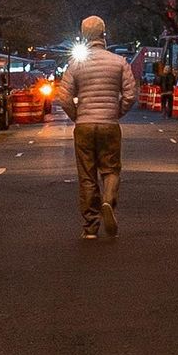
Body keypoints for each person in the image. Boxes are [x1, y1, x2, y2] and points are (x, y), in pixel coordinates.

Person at [58, 16, 136, 239]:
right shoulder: (119, 62)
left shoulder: (76, 65)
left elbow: (64, 97)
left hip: (84, 125)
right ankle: (107, 200)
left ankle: (90, 226)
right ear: (104, 34)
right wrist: (117, 111)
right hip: (109, 125)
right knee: (111, 169)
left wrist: (77, 116)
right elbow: (130, 94)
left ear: (84, 35)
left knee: (87, 175)